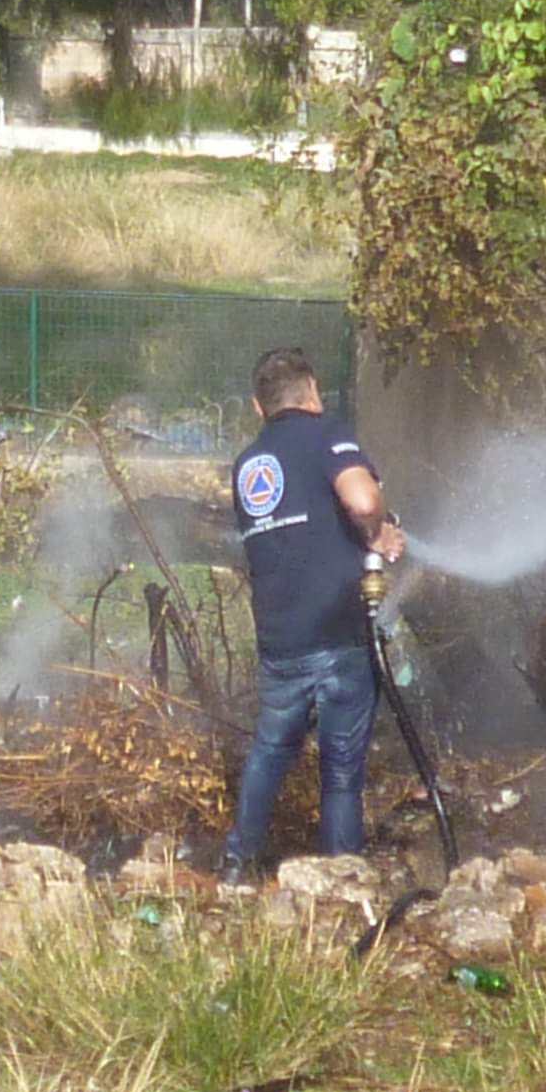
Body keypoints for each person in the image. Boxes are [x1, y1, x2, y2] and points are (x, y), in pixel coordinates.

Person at [221, 347, 404, 883]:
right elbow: (363, 501)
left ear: (259, 408)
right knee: (341, 771)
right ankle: (342, 879)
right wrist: (378, 533)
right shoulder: (329, 434)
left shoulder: (247, 464)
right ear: (313, 391)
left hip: (280, 637)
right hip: (338, 632)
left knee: (270, 749)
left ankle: (237, 864)